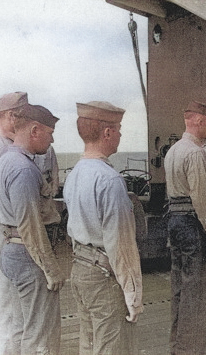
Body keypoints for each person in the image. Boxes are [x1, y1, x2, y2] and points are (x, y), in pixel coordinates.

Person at [64, 101, 143, 355]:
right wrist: (133, 295)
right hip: (104, 274)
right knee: (112, 347)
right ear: (107, 132)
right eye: (118, 128)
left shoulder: (75, 173)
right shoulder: (110, 180)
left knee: (88, 343)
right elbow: (121, 246)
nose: (120, 134)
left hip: (80, 267)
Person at [0, 103, 64, 354]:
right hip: (28, 255)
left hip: (12, 250)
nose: (52, 138)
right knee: (40, 336)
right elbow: (31, 226)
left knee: (20, 327)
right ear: (34, 130)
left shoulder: (6, 159)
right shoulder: (23, 168)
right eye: (50, 132)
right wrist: (51, 269)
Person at [164, 100, 206, 355]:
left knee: (180, 286)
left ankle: (178, 346)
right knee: (196, 290)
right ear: (199, 120)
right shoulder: (195, 153)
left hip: (175, 221)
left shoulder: (174, 150)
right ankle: (192, 350)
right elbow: (201, 198)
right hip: (192, 224)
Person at [0, 91, 29, 355]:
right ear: (11, 116)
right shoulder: (2, 146)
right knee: (7, 298)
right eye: (22, 115)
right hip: (3, 224)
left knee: (6, 298)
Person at [34, 145, 61, 248]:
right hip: (33, 183)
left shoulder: (49, 148)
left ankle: (50, 245)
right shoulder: (29, 147)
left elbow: (55, 168)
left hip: (46, 183)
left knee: (48, 216)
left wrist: (55, 187)